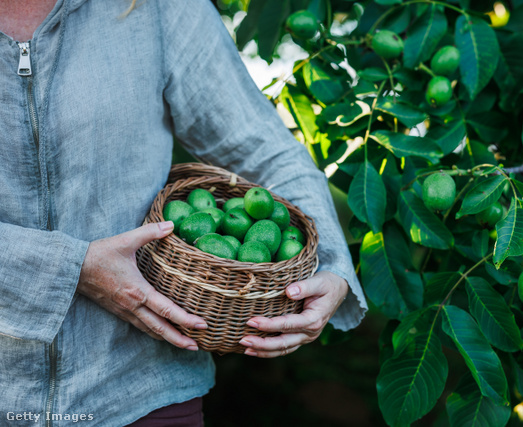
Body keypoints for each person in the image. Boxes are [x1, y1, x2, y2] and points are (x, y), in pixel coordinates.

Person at [0, 0, 367, 425]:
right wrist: (70, 268)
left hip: (143, 391)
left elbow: (262, 148)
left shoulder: (158, 8)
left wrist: (333, 264)